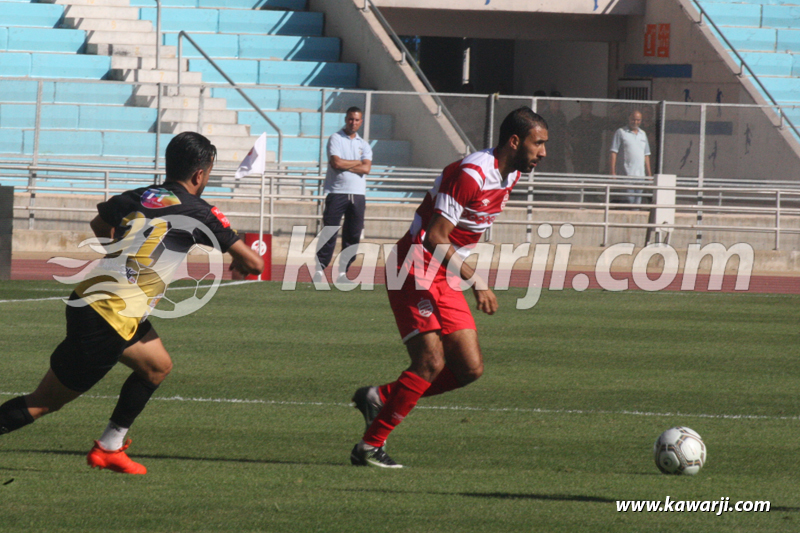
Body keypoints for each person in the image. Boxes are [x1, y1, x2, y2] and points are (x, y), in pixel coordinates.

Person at [0, 132, 264, 475]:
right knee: (44, 401)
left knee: (156, 366)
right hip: (109, 318)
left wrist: (119, 259)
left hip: (92, 299)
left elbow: (98, 223)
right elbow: (255, 264)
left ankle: (109, 447)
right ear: (200, 174)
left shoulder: (138, 195)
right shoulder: (200, 211)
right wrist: (241, 262)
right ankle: (106, 446)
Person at [349, 107, 548, 468]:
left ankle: (382, 397)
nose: (543, 152)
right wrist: (478, 282)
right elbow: (435, 237)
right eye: (539, 143)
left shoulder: (512, 174)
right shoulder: (472, 174)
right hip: (415, 264)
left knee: (469, 368)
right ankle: (369, 446)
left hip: (444, 273)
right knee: (430, 361)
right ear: (515, 141)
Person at [314, 107, 373, 283]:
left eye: (356, 120)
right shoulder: (336, 138)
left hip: (357, 193)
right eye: (350, 119)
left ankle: (343, 273)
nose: (353, 123)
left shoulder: (364, 144)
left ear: (361, 122)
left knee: (353, 234)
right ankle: (320, 270)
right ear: (345, 119)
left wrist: (350, 164)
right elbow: (336, 163)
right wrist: (357, 163)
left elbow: (367, 168)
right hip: (337, 192)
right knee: (329, 231)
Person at [609, 110, 652, 204]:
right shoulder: (620, 132)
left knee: (637, 203)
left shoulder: (643, 134)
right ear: (629, 118)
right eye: (633, 120)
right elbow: (613, 152)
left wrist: (649, 175)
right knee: (630, 201)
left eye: (638, 120)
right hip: (627, 175)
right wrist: (612, 172)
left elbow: (646, 155)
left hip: (640, 176)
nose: (635, 122)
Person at [567, 101, 605, 175]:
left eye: (587, 107)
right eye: (583, 107)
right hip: (579, 157)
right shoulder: (574, 122)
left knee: (592, 179)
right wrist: (570, 151)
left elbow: (610, 126)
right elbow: (567, 136)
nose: (585, 109)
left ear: (591, 108)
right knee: (579, 178)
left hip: (593, 157)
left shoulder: (597, 121)